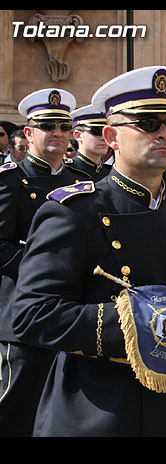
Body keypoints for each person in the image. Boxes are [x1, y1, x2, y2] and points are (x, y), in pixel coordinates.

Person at [11, 66, 166, 437]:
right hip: (100, 407)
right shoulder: (74, 212)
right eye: (148, 123)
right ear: (111, 136)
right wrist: (136, 323)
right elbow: (33, 314)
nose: (164, 133)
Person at [0, 88, 91, 436]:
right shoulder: (10, 183)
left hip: (70, 313)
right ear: (28, 133)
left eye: (64, 126)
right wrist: (42, 272)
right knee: (15, 406)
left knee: (62, 409)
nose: (57, 133)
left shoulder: (81, 184)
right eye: (47, 125)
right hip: (22, 313)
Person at [69, 104, 111, 181]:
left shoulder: (111, 173)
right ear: (78, 135)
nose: (104, 138)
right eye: (96, 132)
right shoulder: (67, 172)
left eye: (107, 132)